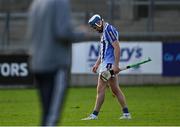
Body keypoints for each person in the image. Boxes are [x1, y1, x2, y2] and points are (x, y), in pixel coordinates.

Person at [27, 0, 73, 125]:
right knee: (52, 118)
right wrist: (82, 34)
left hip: (38, 64)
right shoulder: (60, 2)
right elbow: (62, 32)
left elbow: (31, 33)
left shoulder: (36, 3)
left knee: (46, 114)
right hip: (55, 65)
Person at [82, 14, 131, 120]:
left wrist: (116, 65)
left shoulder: (109, 30)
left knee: (100, 89)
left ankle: (94, 115)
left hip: (109, 65)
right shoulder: (104, 31)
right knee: (115, 90)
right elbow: (103, 50)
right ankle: (126, 114)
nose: (95, 29)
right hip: (106, 63)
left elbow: (117, 47)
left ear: (99, 23)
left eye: (95, 27)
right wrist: (97, 63)